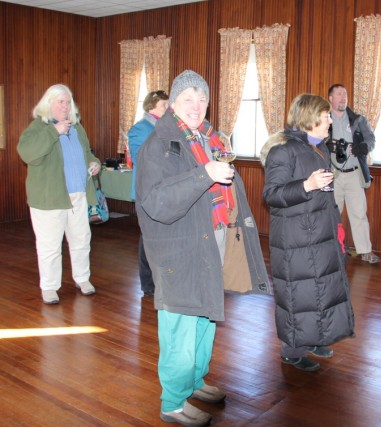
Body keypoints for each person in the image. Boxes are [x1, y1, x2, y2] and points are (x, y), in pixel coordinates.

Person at [136, 70, 271, 426]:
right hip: (178, 247)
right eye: (187, 99)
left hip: (211, 238)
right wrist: (204, 174)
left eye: (202, 99)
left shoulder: (208, 138)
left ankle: (194, 381)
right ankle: (172, 401)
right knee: (180, 324)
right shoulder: (158, 144)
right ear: (173, 105)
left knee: (204, 316)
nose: (196, 106)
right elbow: (156, 202)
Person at [261, 93, 355, 372]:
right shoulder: (283, 151)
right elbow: (272, 194)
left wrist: (336, 227)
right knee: (297, 294)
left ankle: (314, 338)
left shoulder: (319, 148)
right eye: (326, 116)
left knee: (320, 291)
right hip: (296, 238)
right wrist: (307, 185)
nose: (330, 120)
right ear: (310, 118)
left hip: (321, 231)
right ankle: (292, 350)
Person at [17, 84, 100, 305]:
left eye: (68, 101)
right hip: (49, 199)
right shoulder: (38, 127)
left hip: (77, 196)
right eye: (60, 102)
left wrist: (94, 162)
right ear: (48, 104)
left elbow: (87, 152)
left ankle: (83, 279)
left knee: (82, 241)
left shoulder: (77, 128)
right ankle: (50, 287)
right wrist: (54, 131)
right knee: (50, 246)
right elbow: (27, 154)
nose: (65, 106)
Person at [327, 84, 380, 264]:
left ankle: (365, 250)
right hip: (332, 175)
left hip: (354, 174)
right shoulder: (324, 120)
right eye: (339, 94)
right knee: (332, 215)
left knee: (359, 214)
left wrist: (359, 148)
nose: (343, 98)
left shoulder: (358, 120)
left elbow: (371, 140)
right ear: (330, 99)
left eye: (345, 94)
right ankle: (332, 250)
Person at [128, 89, 169, 297]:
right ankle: (148, 285)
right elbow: (141, 160)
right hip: (147, 192)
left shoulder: (169, 128)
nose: (168, 109)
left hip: (166, 192)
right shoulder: (139, 130)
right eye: (164, 105)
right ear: (152, 106)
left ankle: (163, 280)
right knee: (148, 239)